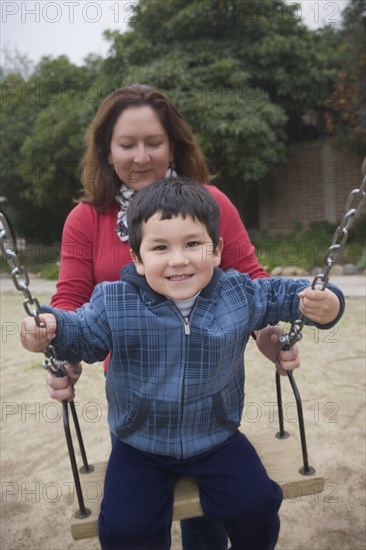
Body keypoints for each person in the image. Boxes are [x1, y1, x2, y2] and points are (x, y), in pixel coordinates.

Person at [35, 83, 302, 550]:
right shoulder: (87, 219)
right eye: (127, 144)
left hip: (208, 393)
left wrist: (269, 333)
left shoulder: (210, 204)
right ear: (106, 150)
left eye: (154, 143)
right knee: (134, 522)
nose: (141, 156)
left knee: (207, 525)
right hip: (141, 396)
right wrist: (64, 356)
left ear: (174, 145)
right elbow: (70, 301)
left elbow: (251, 279)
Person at [21, 178, 344, 550]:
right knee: (126, 531)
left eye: (193, 243)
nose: (178, 259)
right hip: (139, 444)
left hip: (217, 437)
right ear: (138, 259)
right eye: (160, 247)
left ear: (218, 249)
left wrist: (328, 303)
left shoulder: (238, 294)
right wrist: (51, 327)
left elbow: (290, 296)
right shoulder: (114, 303)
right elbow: (80, 333)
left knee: (258, 505)